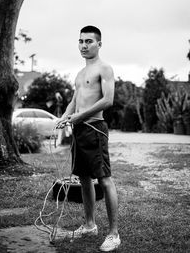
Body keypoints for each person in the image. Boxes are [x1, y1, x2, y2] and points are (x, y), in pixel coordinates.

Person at [56, 25, 120, 252]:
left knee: (104, 180)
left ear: (99, 44)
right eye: (81, 41)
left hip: (95, 129)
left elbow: (108, 100)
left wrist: (79, 117)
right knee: (83, 178)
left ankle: (113, 234)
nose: (84, 45)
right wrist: (65, 117)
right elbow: (75, 100)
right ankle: (90, 224)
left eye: (89, 41)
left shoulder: (105, 68)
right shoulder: (80, 74)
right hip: (79, 131)